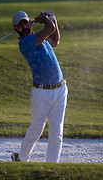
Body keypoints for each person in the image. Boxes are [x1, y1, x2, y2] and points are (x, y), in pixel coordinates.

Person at [11, 10, 68, 162]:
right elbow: (49, 29)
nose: (23, 26)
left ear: (29, 22)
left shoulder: (40, 39)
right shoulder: (25, 43)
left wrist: (53, 20)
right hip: (41, 93)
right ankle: (22, 157)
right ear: (15, 28)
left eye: (25, 22)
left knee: (56, 131)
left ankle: (51, 166)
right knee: (36, 129)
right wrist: (46, 19)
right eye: (20, 24)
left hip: (60, 89)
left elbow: (55, 40)